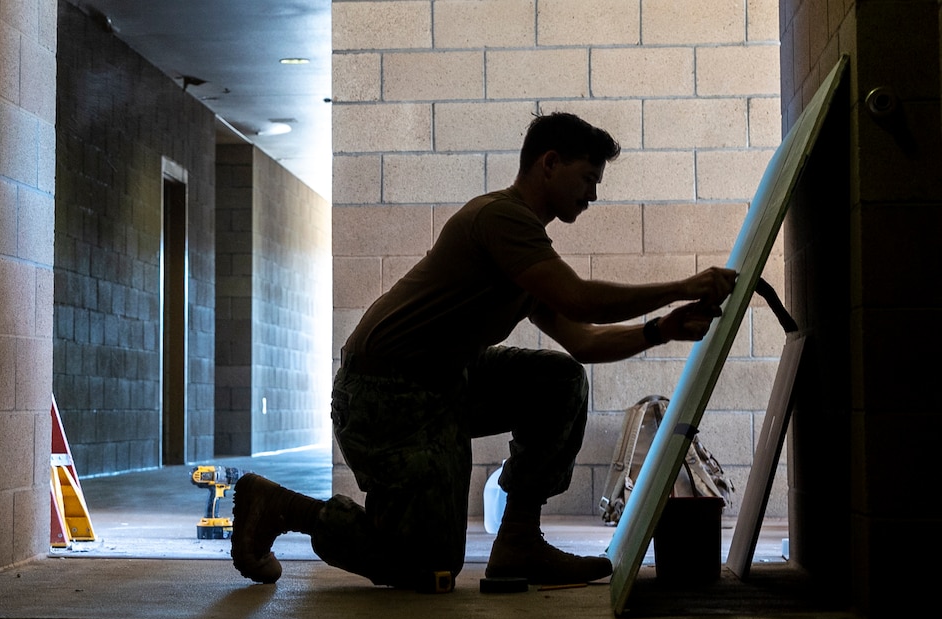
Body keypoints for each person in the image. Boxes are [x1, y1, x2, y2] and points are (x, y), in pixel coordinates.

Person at [230, 112, 736, 592]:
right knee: (430, 566)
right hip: (384, 393)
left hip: (445, 382)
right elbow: (580, 299)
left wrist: (661, 330)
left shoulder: (528, 250)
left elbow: (583, 341)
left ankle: (517, 541)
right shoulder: (502, 218)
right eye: (588, 177)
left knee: (558, 381)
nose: (594, 194)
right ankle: (280, 506)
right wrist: (682, 286)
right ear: (550, 163)